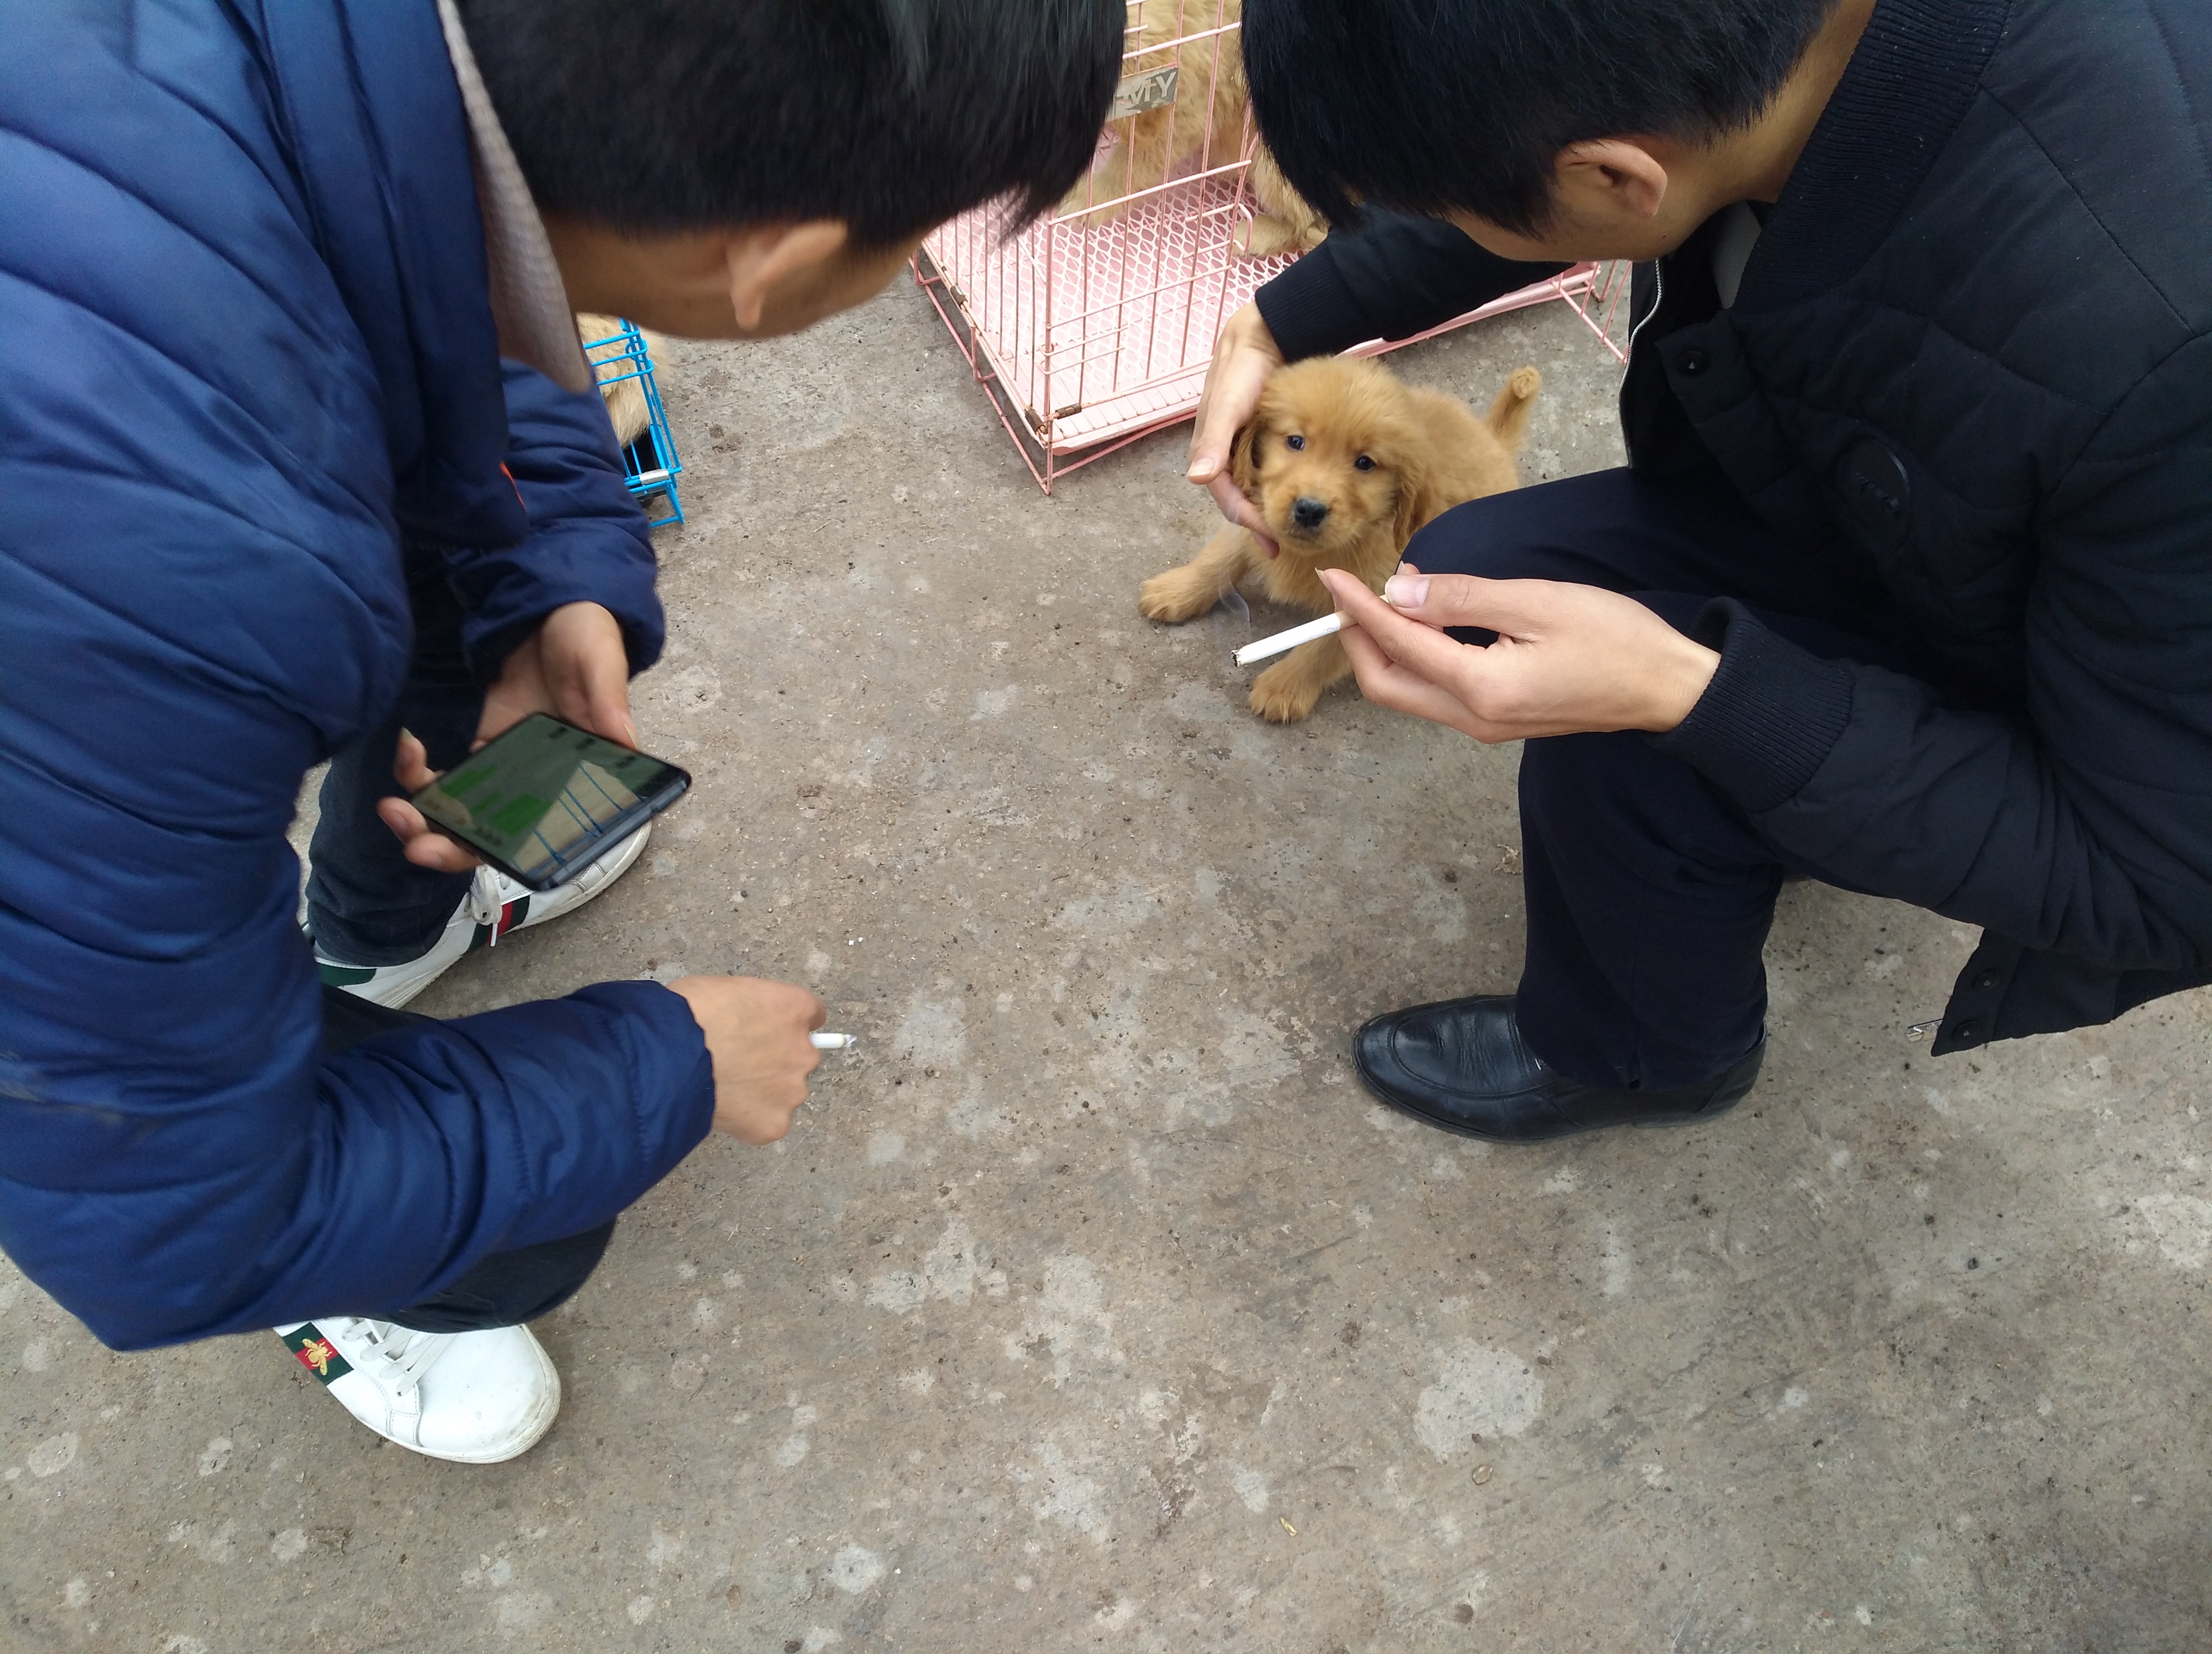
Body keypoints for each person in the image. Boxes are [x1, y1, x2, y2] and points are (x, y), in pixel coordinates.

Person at [0, 0, 1120, 1463]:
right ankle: (351, 1295)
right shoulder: (175, 564)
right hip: (91, 614)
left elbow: (428, 280)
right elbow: (164, 1221)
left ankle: (377, 937)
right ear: (775, 265)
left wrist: (552, 574)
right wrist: (666, 1069)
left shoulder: (374, 79)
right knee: (529, 1224)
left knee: (461, 588)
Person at [1188, 0, 2212, 1142]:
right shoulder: (1746, 70)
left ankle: (1649, 1052)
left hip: (2074, 714)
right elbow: (1534, 134)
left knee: (1625, 718)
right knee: (1471, 572)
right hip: (1872, 513)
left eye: (1439, 204)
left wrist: (1694, 694)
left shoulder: (2162, 347)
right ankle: (1759, 817)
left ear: (1620, 178)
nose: (1436, 224)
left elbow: (2155, 881)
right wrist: (1281, 321)